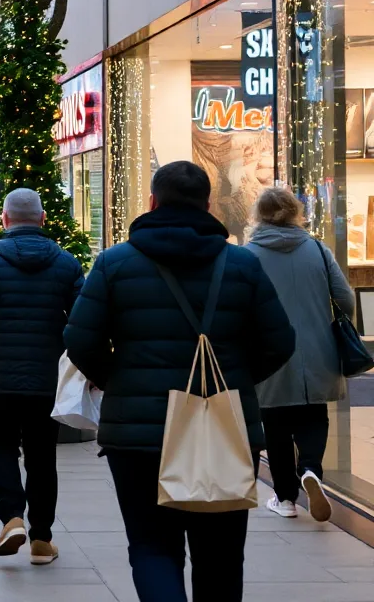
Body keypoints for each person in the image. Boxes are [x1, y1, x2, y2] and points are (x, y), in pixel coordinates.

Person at [65, 161, 295, 602]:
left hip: (138, 434)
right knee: (221, 555)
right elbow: (280, 342)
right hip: (224, 434)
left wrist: (118, 381)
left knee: (152, 547)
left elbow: (79, 338)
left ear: (152, 202)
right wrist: (235, 381)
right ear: (208, 206)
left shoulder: (116, 263)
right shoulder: (241, 264)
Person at [0, 189, 84, 565]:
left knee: (2, 446)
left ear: (4, 220)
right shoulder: (67, 263)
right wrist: (87, 367)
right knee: (42, 456)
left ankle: (12, 516)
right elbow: (83, 321)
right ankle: (42, 539)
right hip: (46, 377)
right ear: (43, 220)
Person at [246, 187, 352, 523]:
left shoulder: (248, 255)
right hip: (317, 350)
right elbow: (346, 300)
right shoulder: (318, 250)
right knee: (313, 416)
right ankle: (310, 470)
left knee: (275, 424)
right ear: (296, 212)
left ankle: (285, 498)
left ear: (258, 215)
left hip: (268, 354)